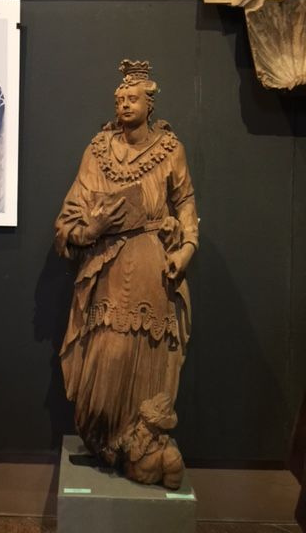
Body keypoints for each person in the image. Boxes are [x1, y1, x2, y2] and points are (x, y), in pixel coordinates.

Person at [55, 60, 198, 482]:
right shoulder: (98, 150)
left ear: (149, 104)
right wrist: (91, 228)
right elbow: (70, 214)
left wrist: (186, 249)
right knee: (108, 352)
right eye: (119, 99)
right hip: (108, 268)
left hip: (154, 264)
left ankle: (142, 445)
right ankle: (104, 439)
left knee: (149, 352)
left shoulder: (170, 150)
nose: (124, 105)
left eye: (132, 98)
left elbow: (186, 203)